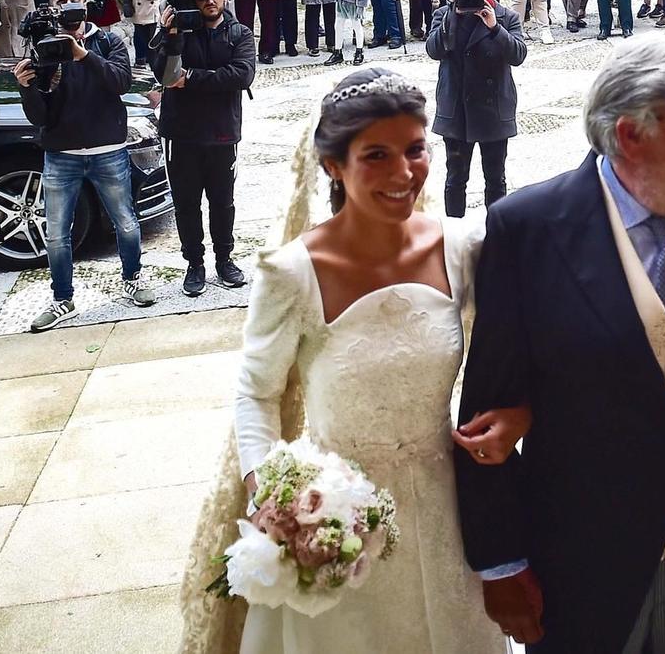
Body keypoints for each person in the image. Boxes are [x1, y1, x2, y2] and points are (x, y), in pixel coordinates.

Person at [456, 37, 665, 653]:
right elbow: (487, 415)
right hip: (583, 559)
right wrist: (501, 563)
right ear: (631, 135)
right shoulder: (528, 229)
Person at [177, 69, 527, 654]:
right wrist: (276, 495)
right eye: (377, 156)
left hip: (450, 508)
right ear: (334, 166)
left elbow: (516, 353)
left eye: (416, 150)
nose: (404, 173)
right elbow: (257, 394)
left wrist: (519, 414)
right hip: (338, 515)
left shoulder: (463, 248)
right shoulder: (291, 273)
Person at [18, 0, 155, 331]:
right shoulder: (41, 47)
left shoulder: (108, 40)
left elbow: (121, 82)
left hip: (107, 149)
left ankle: (133, 278)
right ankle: (62, 299)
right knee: (56, 233)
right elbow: (40, 116)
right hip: (61, 154)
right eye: (61, 1)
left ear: (85, 2)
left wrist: (83, 54)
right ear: (53, 8)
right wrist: (27, 88)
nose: (69, 7)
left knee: (125, 221)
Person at [150, 0, 255, 297]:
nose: (208, 0)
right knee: (186, 204)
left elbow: (241, 75)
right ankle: (194, 263)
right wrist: (170, 35)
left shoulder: (239, 33)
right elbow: (165, 76)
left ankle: (225, 259)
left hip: (222, 133)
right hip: (180, 134)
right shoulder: (178, 28)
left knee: (223, 202)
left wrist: (192, 79)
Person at [427, 0, 527, 220]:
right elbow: (433, 50)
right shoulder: (445, 15)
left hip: (493, 110)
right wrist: (452, 12)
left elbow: (518, 55)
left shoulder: (506, 16)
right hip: (457, 109)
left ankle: (497, 236)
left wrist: (495, 28)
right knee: (455, 178)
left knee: (495, 179)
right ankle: (453, 235)